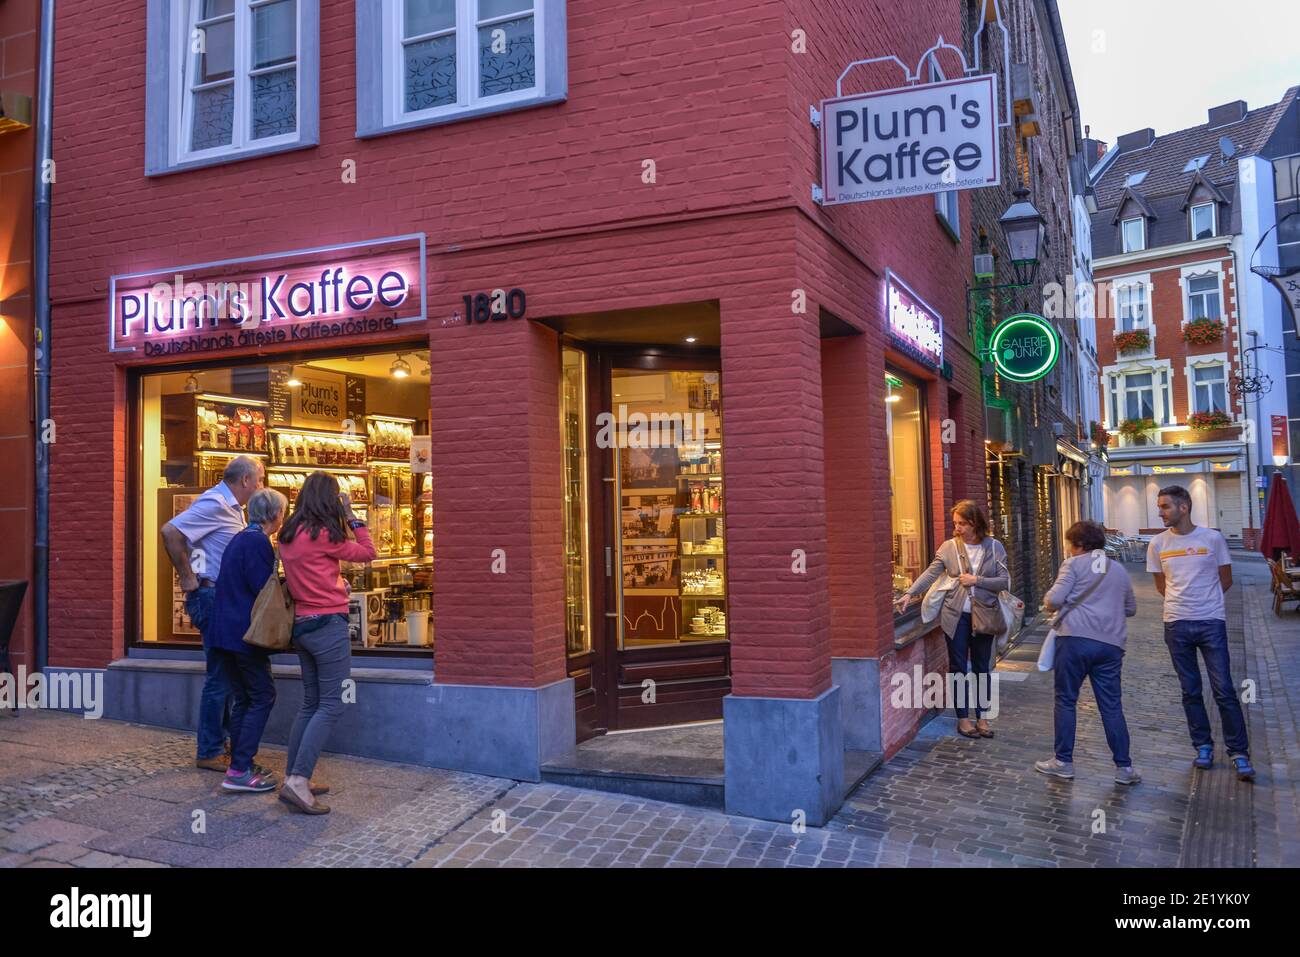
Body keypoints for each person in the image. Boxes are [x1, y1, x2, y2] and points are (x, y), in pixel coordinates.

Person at [277, 472, 377, 814]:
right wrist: (352, 516)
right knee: (332, 704)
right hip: (327, 625)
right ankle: (298, 780)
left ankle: (294, 774)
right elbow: (368, 552)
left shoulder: (288, 534)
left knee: (310, 703)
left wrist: (334, 584)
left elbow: (311, 574)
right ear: (330, 500)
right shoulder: (324, 533)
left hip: (302, 625)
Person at [161, 454, 265, 771]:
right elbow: (169, 531)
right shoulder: (215, 503)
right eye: (259, 479)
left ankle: (222, 744)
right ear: (245, 480)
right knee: (219, 675)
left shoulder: (232, 507)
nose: (261, 486)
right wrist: (186, 576)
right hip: (210, 594)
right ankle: (209, 750)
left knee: (228, 675)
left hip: (219, 595)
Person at [1146, 485, 1255, 781]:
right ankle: (1203, 746)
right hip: (1176, 624)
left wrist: (1205, 603)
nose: (1160, 512)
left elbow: (1226, 578)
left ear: (1184, 507)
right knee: (1190, 691)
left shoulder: (1212, 539)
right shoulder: (1157, 544)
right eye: (1160, 506)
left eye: (1165, 506)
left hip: (1211, 623)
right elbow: (1160, 585)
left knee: (1224, 689)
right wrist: (1181, 604)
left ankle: (1239, 752)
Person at [1034, 521, 1141, 785]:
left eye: (1070, 544)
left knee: (1066, 700)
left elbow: (1054, 600)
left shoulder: (1073, 565)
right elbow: (1131, 609)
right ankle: (1124, 768)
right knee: (1111, 705)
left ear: (1079, 545)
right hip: (1111, 646)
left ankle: (1063, 762)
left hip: (1075, 640)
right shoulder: (1118, 569)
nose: (1069, 550)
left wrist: (1054, 601)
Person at [895, 500, 1009, 739]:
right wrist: (909, 593)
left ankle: (983, 717)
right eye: (955, 523)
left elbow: (1004, 582)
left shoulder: (995, 547)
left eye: (962, 523)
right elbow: (931, 573)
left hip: (985, 615)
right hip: (956, 617)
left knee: (982, 667)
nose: (957, 528)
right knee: (958, 667)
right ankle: (963, 719)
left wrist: (977, 581)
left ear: (975, 523)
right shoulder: (948, 548)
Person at [205, 488, 288, 793]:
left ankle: (239, 762)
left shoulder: (240, 537)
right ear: (275, 514)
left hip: (224, 632)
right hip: (245, 634)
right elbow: (263, 588)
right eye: (283, 511)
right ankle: (240, 769)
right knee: (263, 695)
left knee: (244, 698)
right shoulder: (257, 542)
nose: (284, 516)